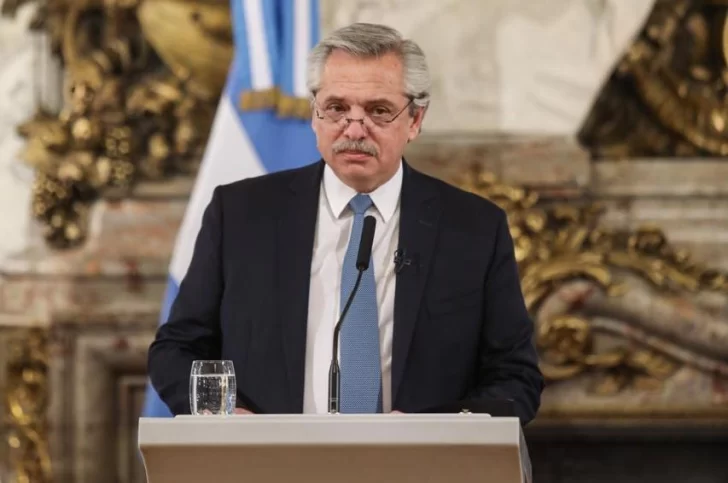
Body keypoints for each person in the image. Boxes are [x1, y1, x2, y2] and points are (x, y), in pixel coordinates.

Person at [147, 22, 544, 424]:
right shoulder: (241, 214)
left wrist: (436, 427)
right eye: (336, 108)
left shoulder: (474, 228)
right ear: (314, 113)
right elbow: (177, 349)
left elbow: (515, 378)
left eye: (378, 110)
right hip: (268, 454)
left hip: (418, 457)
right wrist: (228, 416)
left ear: (415, 120)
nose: (354, 129)